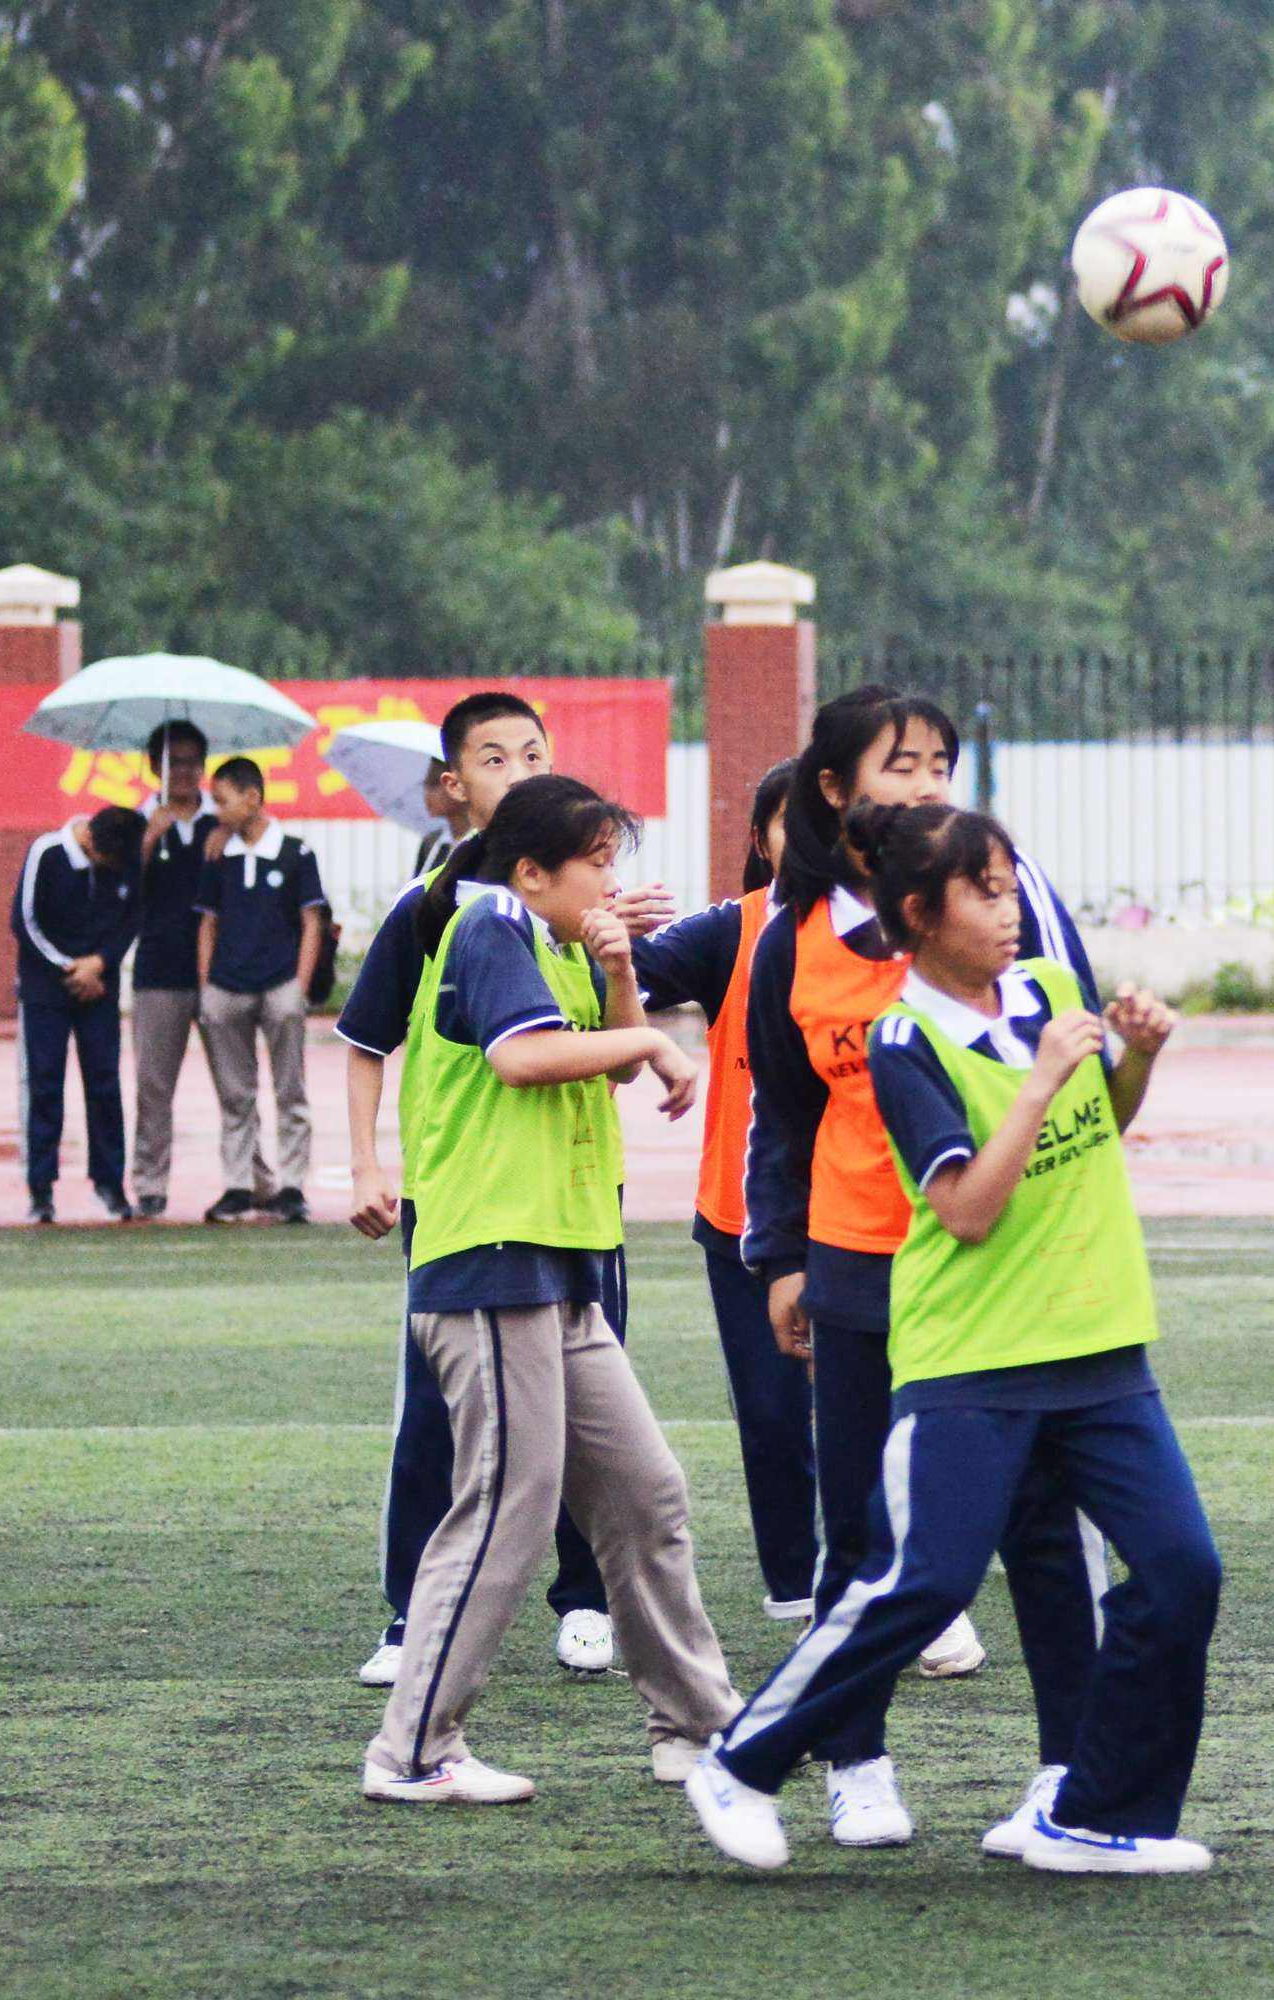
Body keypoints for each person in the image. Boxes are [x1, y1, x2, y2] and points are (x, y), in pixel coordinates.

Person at [690, 805, 1223, 1877]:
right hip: (973, 1359)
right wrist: (1039, 1078)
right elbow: (970, 1207)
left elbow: (1101, 1125)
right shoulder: (904, 1040)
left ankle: (1093, 1812)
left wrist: (1136, 1061)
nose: (1011, 905)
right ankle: (741, 1758)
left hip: (1100, 1344)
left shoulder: (1054, 993)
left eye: (1009, 882)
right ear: (920, 916)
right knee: (924, 1582)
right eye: (985, 889)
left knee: (1181, 1570)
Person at [743, 684, 1103, 1847]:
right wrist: (782, 1258)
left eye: (941, 760)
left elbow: (1073, 1050)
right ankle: (856, 1757)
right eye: (901, 763)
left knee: (1041, 1526)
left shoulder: (1012, 892)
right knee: (859, 1531)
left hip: (1002, 1267)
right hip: (862, 1268)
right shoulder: (785, 933)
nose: (928, 781)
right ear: (835, 789)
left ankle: (1068, 1773)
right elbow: (781, 1112)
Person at [362, 775, 737, 1803]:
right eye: (598, 861)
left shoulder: (550, 937)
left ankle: (700, 1729)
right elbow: (524, 1056)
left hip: (559, 1260)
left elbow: (598, 1061)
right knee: (507, 1508)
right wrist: (659, 1036)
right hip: (490, 1258)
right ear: (532, 870)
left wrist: (620, 976)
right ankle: (412, 1750)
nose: (614, 879)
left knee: (645, 1489)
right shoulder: (488, 920)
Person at [342, 691, 665, 1687]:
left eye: (534, 752)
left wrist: (620, 963)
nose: (517, 771)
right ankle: (411, 1614)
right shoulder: (441, 905)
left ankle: (583, 1600)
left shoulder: (576, 905)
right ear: (454, 783)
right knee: (440, 1412)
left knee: (584, 1418)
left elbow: (605, 1060)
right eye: (493, 756)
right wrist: (366, 1163)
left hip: (578, 1200)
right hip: (467, 1202)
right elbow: (364, 1040)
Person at [625, 759, 819, 1621]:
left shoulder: (892, 931)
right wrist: (596, 938)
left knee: (890, 1410)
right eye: (790, 823)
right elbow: (628, 980)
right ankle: (797, 1588)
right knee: (776, 1419)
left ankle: (909, 1579)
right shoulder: (730, 931)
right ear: (760, 839)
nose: (808, 840)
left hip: (873, 1215)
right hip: (745, 1215)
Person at [193, 758, 327, 1225]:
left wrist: (300, 987)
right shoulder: (218, 856)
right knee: (235, 1093)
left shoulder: (295, 853)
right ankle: (239, 1184)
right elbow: (207, 923)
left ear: (252, 798)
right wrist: (207, 986)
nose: (216, 810)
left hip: (279, 986)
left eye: (222, 799)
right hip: (227, 988)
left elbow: (313, 922)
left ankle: (291, 1186)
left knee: (291, 1088)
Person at [11, 804, 146, 1222]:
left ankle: (109, 1184)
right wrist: (69, 967)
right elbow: (25, 920)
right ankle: (40, 1188)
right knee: (44, 1083)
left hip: (100, 988)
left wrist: (100, 963)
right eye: (105, 862)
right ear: (89, 839)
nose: (112, 870)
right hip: (45, 989)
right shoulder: (47, 852)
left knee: (105, 1084)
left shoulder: (125, 854)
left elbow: (131, 917)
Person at [130, 721, 217, 1218]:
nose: (181, 771)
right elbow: (120, 896)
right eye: (171, 761)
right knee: (153, 1086)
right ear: (152, 766)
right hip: (157, 973)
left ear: (203, 767)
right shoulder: (137, 823)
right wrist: (145, 843)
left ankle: (251, 1181)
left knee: (236, 1084)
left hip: (217, 974)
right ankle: (150, 1183)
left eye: (189, 761)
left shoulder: (222, 826)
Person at [413, 758, 470, 879]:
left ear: (458, 786)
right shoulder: (431, 843)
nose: (427, 793)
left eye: (433, 783)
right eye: (425, 784)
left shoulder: (484, 842)